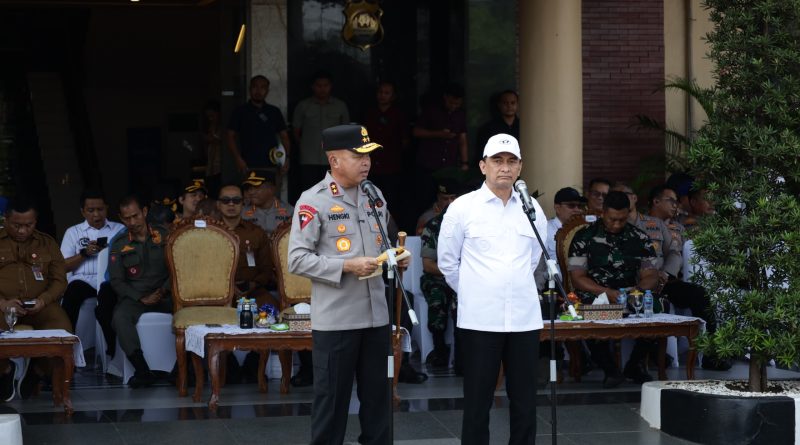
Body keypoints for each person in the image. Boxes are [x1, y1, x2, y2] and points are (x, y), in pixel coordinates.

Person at [288, 124, 409, 444]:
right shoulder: (313, 201)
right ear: (334, 160)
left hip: (376, 317)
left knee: (379, 402)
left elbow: (380, 246)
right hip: (338, 319)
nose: (366, 162)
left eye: (369, 155)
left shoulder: (375, 194)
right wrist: (346, 266)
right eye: (358, 155)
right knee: (332, 403)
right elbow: (297, 259)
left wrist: (395, 257)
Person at [438, 134, 545, 445]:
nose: (505, 168)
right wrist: (476, 291)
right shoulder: (463, 207)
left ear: (521, 167)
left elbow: (535, 257)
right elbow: (448, 262)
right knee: (477, 400)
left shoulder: (531, 206)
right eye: (497, 161)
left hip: (524, 318)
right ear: (483, 166)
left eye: (511, 161)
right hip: (480, 319)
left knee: (525, 400)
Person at [568, 191, 660, 387]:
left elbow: (651, 275)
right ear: (602, 213)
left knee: (657, 309)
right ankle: (610, 369)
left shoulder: (640, 238)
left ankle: (634, 365)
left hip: (631, 294)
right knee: (588, 313)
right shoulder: (584, 237)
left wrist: (636, 291)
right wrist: (607, 293)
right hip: (596, 294)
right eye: (612, 219)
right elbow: (577, 278)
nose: (617, 224)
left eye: (622, 219)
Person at [647, 185, 731, 371]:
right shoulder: (642, 224)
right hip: (644, 281)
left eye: (677, 202)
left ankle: (710, 353)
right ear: (656, 201)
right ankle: (653, 353)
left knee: (699, 294)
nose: (676, 205)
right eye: (671, 201)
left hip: (670, 281)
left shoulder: (679, 227)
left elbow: (685, 253)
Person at [0, 196, 72, 402]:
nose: (23, 231)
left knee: (63, 331)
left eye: (28, 225)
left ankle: (37, 373)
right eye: (17, 225)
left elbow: (60, 280)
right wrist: (3, 303)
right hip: (2, 305)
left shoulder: (47, 243)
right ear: (6, 219)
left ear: (35, 222)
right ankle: (5, 371)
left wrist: (44, 299)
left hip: (40, 306)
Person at [109, 195, 172, 388]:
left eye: (136, 216)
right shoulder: (119, 244)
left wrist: (162, 291)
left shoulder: (166, 236)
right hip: (136, 297)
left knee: (190, 314)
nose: (132, 222)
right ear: (121, 218)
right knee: (120, 317)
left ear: (145, 212)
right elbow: (117, 281)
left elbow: (178, 268)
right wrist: (141, 298)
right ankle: (142, 370)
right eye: (127, 218)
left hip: (167, 293)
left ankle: (183, 369)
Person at [59, 189, 124, 358]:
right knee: (71, 295)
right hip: (83, 281)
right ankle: (67, 350)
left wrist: (110, 252)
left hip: (110, 280)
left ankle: (112, 351)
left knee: (108, 301)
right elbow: (63, 266)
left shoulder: (120, 230)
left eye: (100, 209)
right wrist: (84, 253)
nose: (96, 214)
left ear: (107, 208)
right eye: (91, 210)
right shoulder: (73, 232)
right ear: (82, 211)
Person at [419, 180, 467, 371]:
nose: (450, 203)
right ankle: (439, 352)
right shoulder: (433, 226)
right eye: (445, 199)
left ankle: (462, 358)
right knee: (438, 300)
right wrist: (453, 272)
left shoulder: (468, 225)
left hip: (463, 280)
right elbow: (428, 265)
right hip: (437, 278)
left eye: (453, 199)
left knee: (460, 306)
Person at [216, 184, 277, 308]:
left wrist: (252, 285)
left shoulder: (256, 232)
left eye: (236, 200)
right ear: (218, 204)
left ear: (243, 204)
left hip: (252, 292)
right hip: (216, 293)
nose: (231, 204)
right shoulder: (209, 233)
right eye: (226, 200)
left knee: (272, 311)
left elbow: (266, 269)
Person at [292, 70, 350, 197]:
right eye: (319, 85)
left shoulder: (340, 106)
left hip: (333, 159)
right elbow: (296, 132)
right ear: (313, 87)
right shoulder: (303, 106)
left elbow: (346, 132)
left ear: (331, 86)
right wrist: (305, 146)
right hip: (308, 159)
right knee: (310, 193)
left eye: (326, 85)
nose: (322, 89)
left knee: (334, 193)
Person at [363, 81, 410, 227]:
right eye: (380, 92)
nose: (383, 96)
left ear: (393, 96)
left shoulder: (399, 114)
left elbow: (405, 140)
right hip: (371, 164)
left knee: (391, 200)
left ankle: (390, 230)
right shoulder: (369, 112)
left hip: (392, 164)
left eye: (387, 93)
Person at [227, 75, 292, 175]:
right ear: (250, 89)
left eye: (263, 87)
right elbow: (230, 136)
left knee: (272, 190)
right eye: (255, 87)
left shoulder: (274, 111)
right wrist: (238, 159)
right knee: (250, 190)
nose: (258, 91)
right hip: (247, 164)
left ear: (267, 90)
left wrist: (286, 158)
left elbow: (284, 137)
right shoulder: (240, 111)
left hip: (273, 163)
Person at [475, 90, 520, 161]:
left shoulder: (524, 127)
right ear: (499, 105)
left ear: (518, 104)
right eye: (505, 103)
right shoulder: (488, 128)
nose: (509, 106)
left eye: (513, 103)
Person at [546, 187, 587, 262]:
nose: (577, 210)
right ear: (557, 208)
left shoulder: (584, 230)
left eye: (579, 206)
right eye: (571, 205)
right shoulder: (545, 230)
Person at [201, 99, 223, 193]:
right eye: (208, 117)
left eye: (212, 116)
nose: (210, 119)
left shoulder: (223, 128)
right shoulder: (210, 127)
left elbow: (218, 139)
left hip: (221, 168)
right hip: (210, 168)